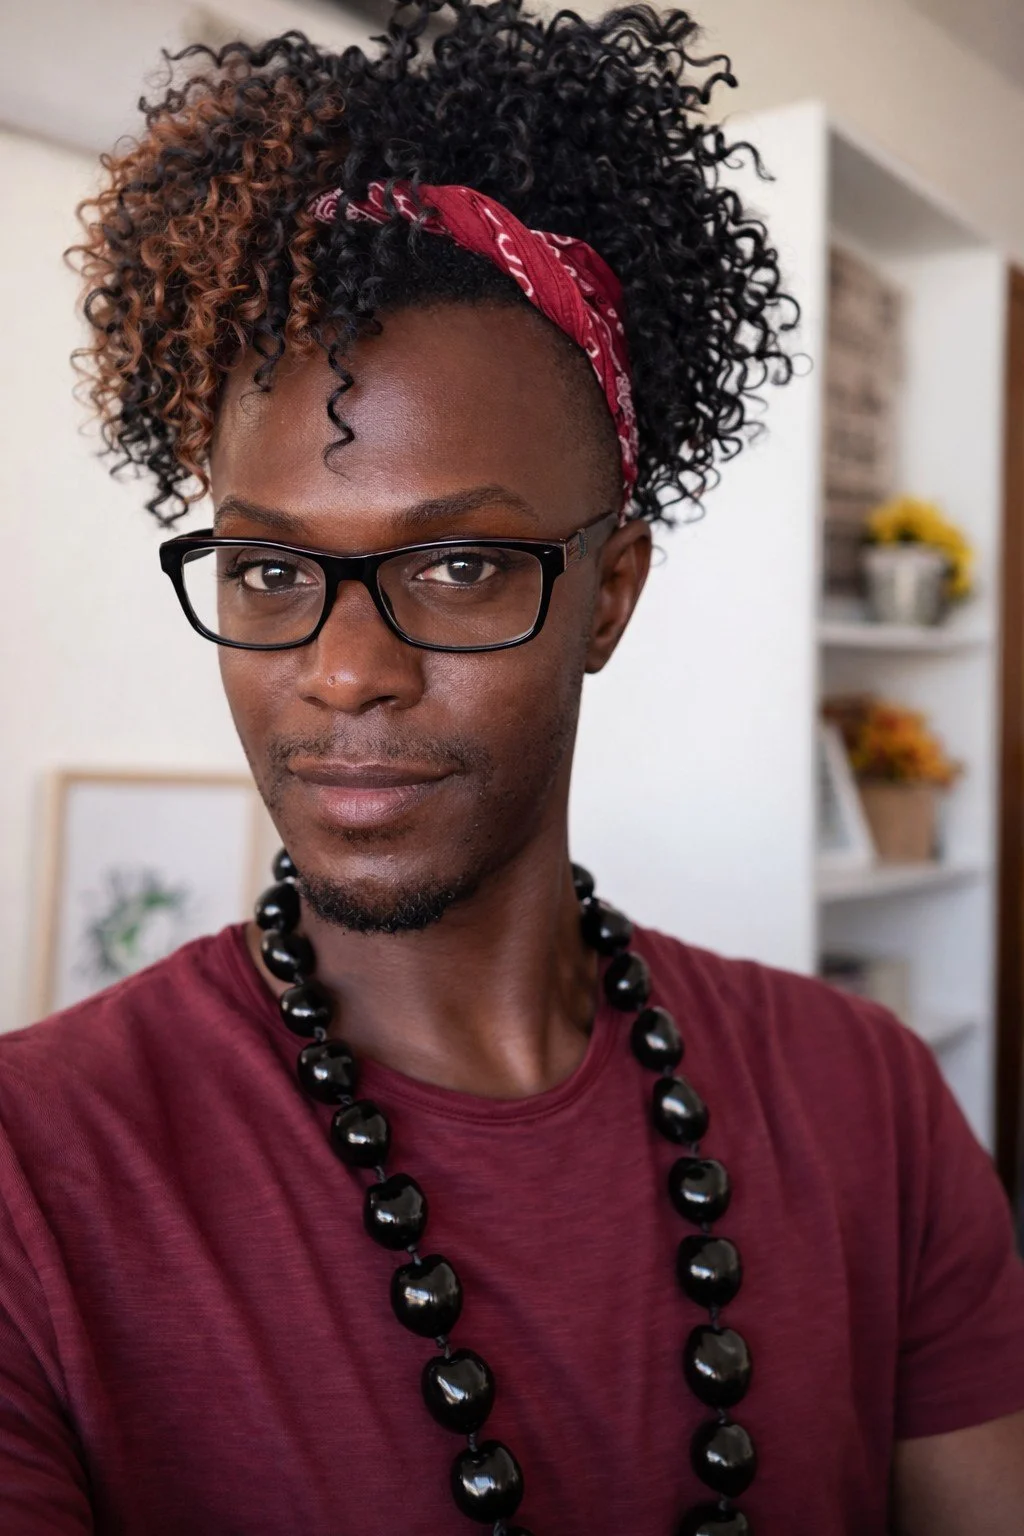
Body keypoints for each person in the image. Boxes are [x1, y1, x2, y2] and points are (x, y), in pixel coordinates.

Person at [1, 3, 1022, 1532]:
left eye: (464, 563)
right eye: (270, 571)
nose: (346, 669)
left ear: (608, 594)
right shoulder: (36, 1184)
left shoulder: (867, 1106)